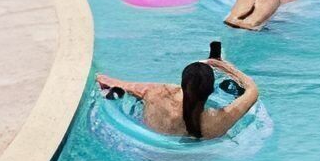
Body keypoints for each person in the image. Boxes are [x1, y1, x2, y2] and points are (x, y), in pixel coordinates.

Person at [95, 56, 259, 141]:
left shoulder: (155, 93)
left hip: (150, 155)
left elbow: (109, 81)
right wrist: (225, 66)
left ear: (182, 82)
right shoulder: (218, 119)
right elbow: (252, 90)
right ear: (210, 91)